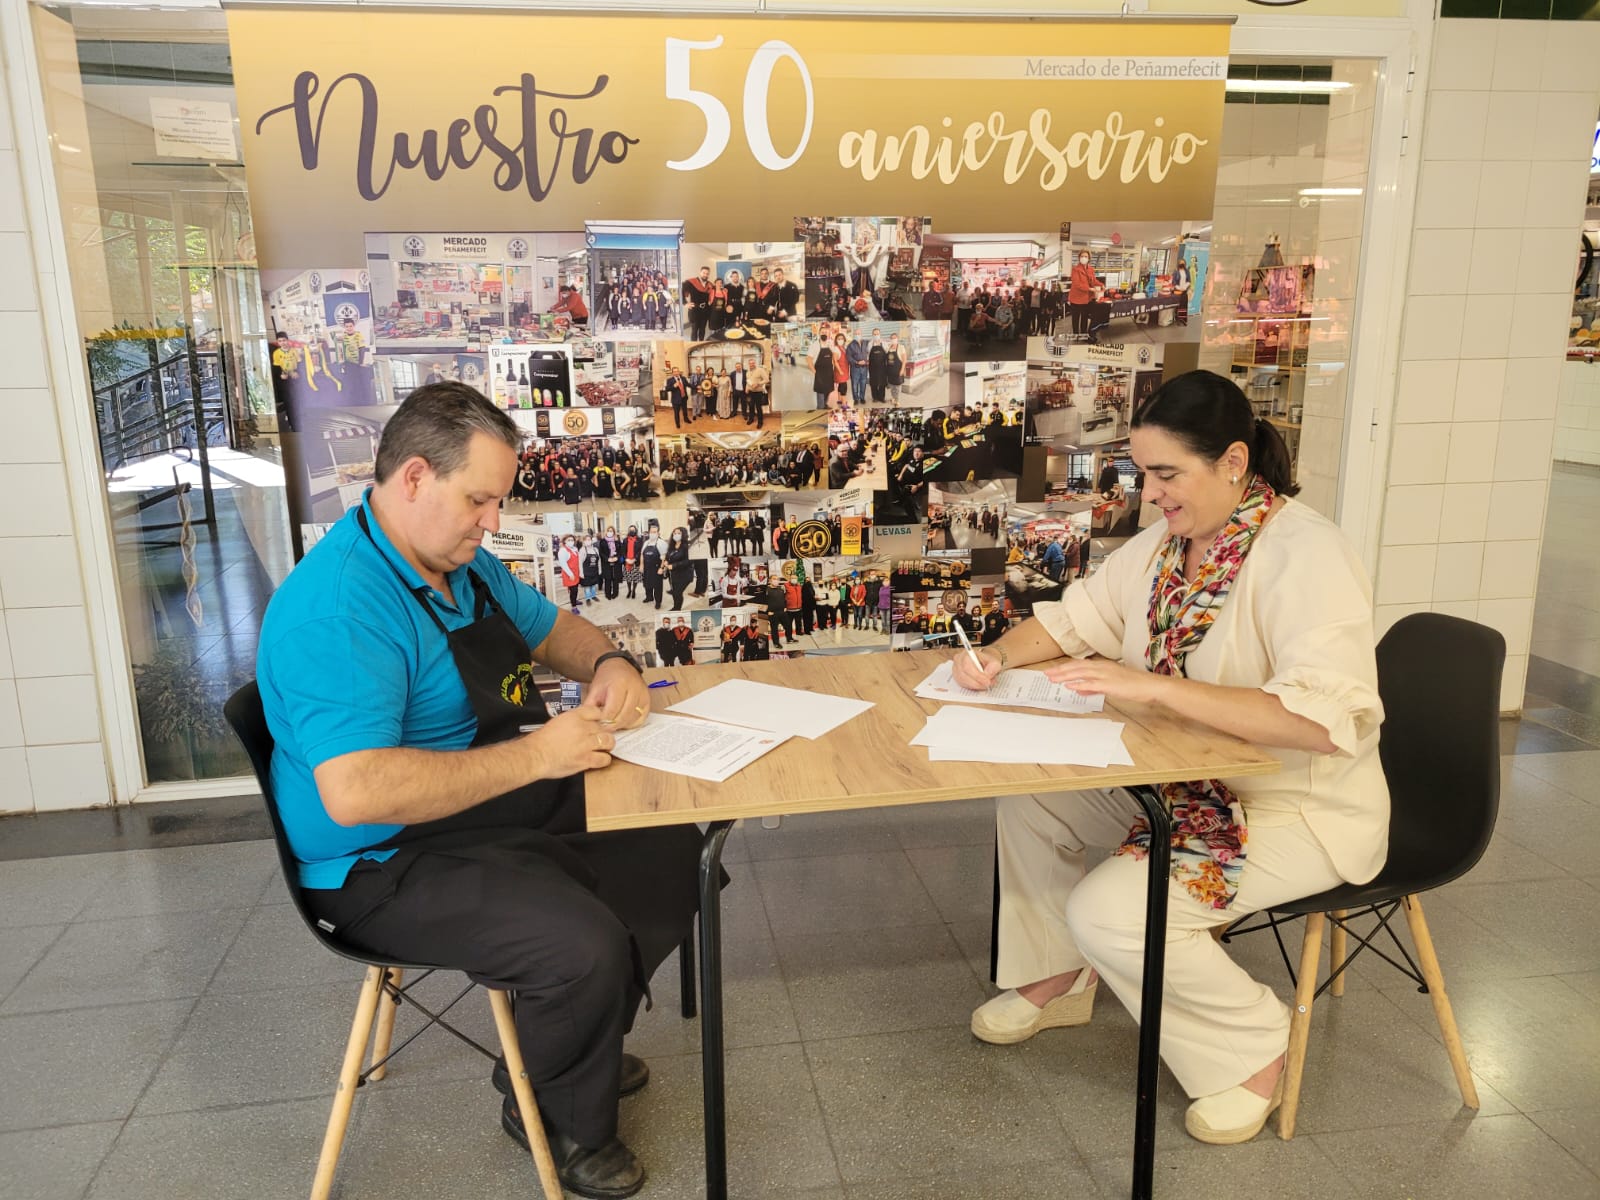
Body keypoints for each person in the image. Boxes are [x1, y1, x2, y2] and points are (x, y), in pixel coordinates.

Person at [257, 383, 705, 1197]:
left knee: (669, 834)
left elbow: (556, 631)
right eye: (480, 500)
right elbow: (358, 792)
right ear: (416, 478)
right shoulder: (338, 610)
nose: (492, 522)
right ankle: (564, 1115)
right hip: (375, 859)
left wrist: (611, 665)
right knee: (579, 944)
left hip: (472, 799)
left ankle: (565, 1045)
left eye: (497, 502)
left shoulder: (458, 562)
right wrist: (539, 759)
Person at [954, 370, 1388, 1148]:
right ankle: (1058, 974)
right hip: (1180, 777)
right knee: (1031, 793)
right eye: (1143, 474)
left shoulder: (1307, 556)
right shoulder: (1169, 543)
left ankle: (1256, 1046)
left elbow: (1318, 724)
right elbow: (1074, 618)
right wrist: (992, 654)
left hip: (1297, 806)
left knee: (1110, 912)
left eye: (1165, 475)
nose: (1150, 494)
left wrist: (1149, 689)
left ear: (1231, 462)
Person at [1068, 250, 1101, 340]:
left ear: (1089, 258)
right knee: (1075, 319)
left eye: (1086, 256)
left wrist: (1101, 285)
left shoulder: (1091, 269)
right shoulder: (1075, 269)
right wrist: (1090, 289)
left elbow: (1093, 281)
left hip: (1086, 299)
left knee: (1084, 318)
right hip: (1076, 299)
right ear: (1079, 258)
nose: (1084, 258)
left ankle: (1083, 335)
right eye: (1082, 256)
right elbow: (1077, 284)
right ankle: (1075, 335)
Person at [665, 527, 694, 611]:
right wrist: (666, 561)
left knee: (677, 593)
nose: (676, 535)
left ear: (683, 534)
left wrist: (674, 565)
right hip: (674, 574)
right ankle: (675, 607)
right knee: (675, 593)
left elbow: (688, 561)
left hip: (685, 575)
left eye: (678, 533)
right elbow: (668, 556)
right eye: (674, 533)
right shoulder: (672, 545)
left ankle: (677, 609)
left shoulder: (686, 546)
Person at [811, 336, 837, 410]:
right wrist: (814, 371)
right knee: (820, 390)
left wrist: (833, 349)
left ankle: (825, 404)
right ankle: (820, 407)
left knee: (828, 390)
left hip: (829, 372)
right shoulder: (815, 346)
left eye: (825, 332)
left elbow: (836, 358)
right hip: (820, 373)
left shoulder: (830, 346)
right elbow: (810, 359)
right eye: (822, 332)